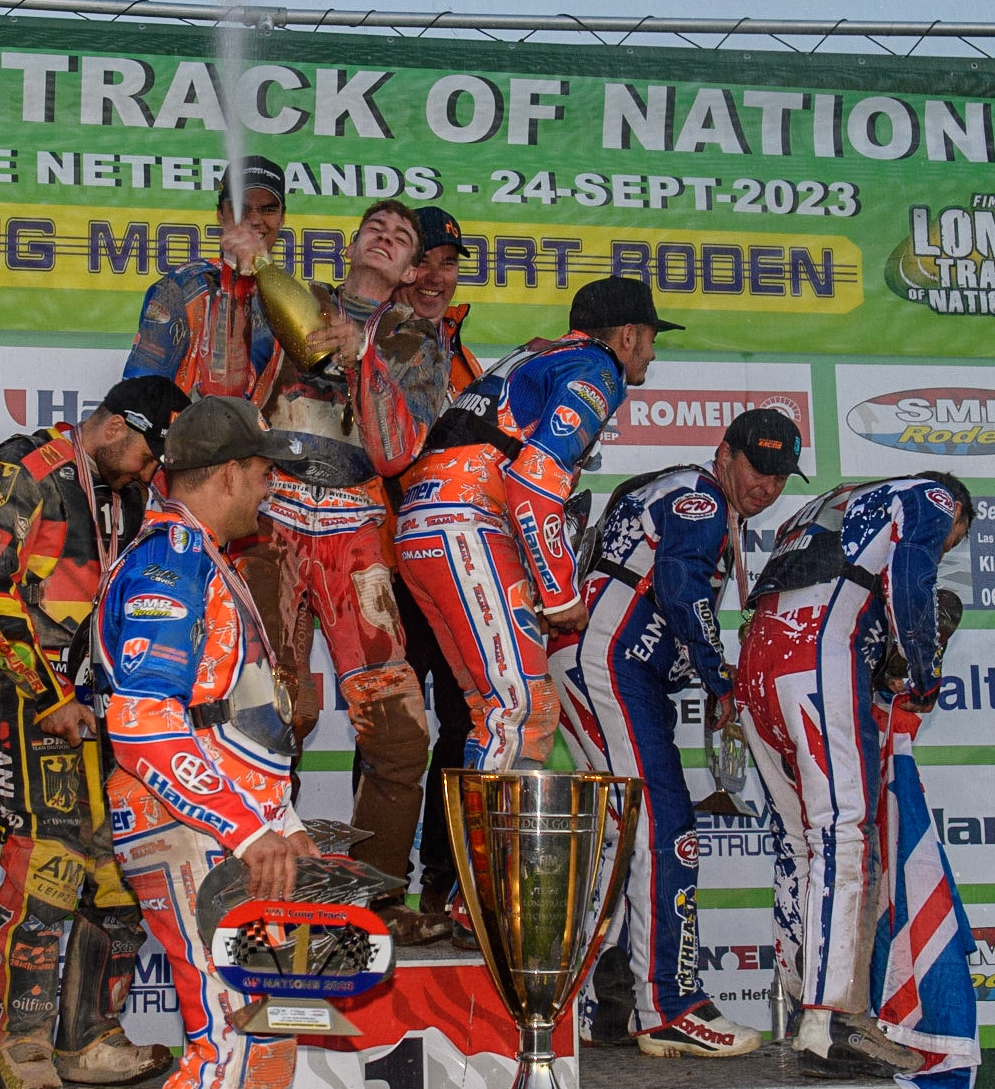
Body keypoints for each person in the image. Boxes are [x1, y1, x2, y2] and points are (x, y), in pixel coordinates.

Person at [551, 408, 803, 1057]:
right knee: (668, 828)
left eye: (778, 476)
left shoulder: (695, 499)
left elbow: (669, 605)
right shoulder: (701, 496)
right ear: (726, 453)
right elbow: (680, 585)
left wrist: (707, 668)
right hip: (611, 661)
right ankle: (668, 1003)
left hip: (602, 658)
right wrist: (721, 676)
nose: (766, 485)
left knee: (623, 831)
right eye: (757, 466)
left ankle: (583, 1000)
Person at [0, 376, 186, 1089]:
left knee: (121, 876)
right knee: (48, 869)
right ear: (118, 424)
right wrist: (49, 692)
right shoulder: (21, 471)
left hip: (114, 711)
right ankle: (20, 1042)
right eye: (149, 453)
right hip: (35, 706)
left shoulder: (130, 493)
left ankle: (90, 1036)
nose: (152, 472)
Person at [236, 199, 450, 942]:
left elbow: (398, 449)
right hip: (273, 522)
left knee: (398, 739)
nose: (386, 239)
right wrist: (242, 261)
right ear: (352, 244)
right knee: (265, 720)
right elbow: (228, 373)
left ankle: (377, 905)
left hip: (357, 532)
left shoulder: (417, 336)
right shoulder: (291, 296)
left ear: (413, 267)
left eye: (403, 239)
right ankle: (259, 902)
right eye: (375, 229)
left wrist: (361, 351)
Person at [93, 396, 320, 1089]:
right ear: (225, 473)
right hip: (188, 831)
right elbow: (141, 720)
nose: (270, 487)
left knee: (265, 1038)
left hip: (226, 829)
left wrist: (279, 823)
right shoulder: (172, 558)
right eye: (262, 472)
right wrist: (250, 831)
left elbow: (227, 719)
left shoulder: (205, 558)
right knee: (231, 1045)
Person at [735, 471, 973, 1077]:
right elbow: (910, 581)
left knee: (799, 844)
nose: (945, 545)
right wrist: (921, 671)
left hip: (758, 660)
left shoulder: (831, 501)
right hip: (817, 654)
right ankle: (827, 1023)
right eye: (953, 541)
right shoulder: (930, 495)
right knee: (842, 839)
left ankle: (802, 1010)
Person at [395, 275, 675, 775]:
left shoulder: (540, 355)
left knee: (489, 711)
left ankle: (475, 855)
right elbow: (534, 482)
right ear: (628, 334)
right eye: (652, 338)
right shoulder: (597, 366)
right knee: (523, 712)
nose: (652, 355)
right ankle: (505, 857)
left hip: (424, 524)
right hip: (467, 523)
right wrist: (560, 595)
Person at [388, 206, 484, 920]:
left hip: (453, 572)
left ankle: (442, 892)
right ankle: (378, 890)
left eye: (448, 264)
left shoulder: (464, 357)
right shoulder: (369, 338)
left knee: (461, 727)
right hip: (380, 567)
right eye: (423, 261)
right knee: (389, 735)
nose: (435, 277)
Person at [122, 155, 284, 400]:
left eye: (268, 209)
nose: (255, 219)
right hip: (182, 435)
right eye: (243, 208)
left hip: (256, 437)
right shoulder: (182, 287)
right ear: (221, 215)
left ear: (282, 218)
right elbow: (139, 392)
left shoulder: (290, 301)